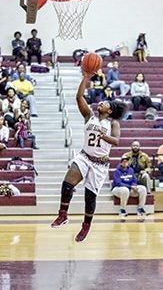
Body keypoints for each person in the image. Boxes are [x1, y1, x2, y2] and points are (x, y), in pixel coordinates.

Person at [51, 70, 127, 242]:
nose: (101, 103)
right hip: (84, 157)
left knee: (89, 197)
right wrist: (85, 78)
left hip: (100, 164)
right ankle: (63, 215)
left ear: (110, 110)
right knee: (67, 183)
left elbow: (116, 141)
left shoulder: (113, 123)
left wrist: (103, 136)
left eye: (105, 103)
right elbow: (79, 98)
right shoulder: (89, 117)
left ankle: (86, 226)